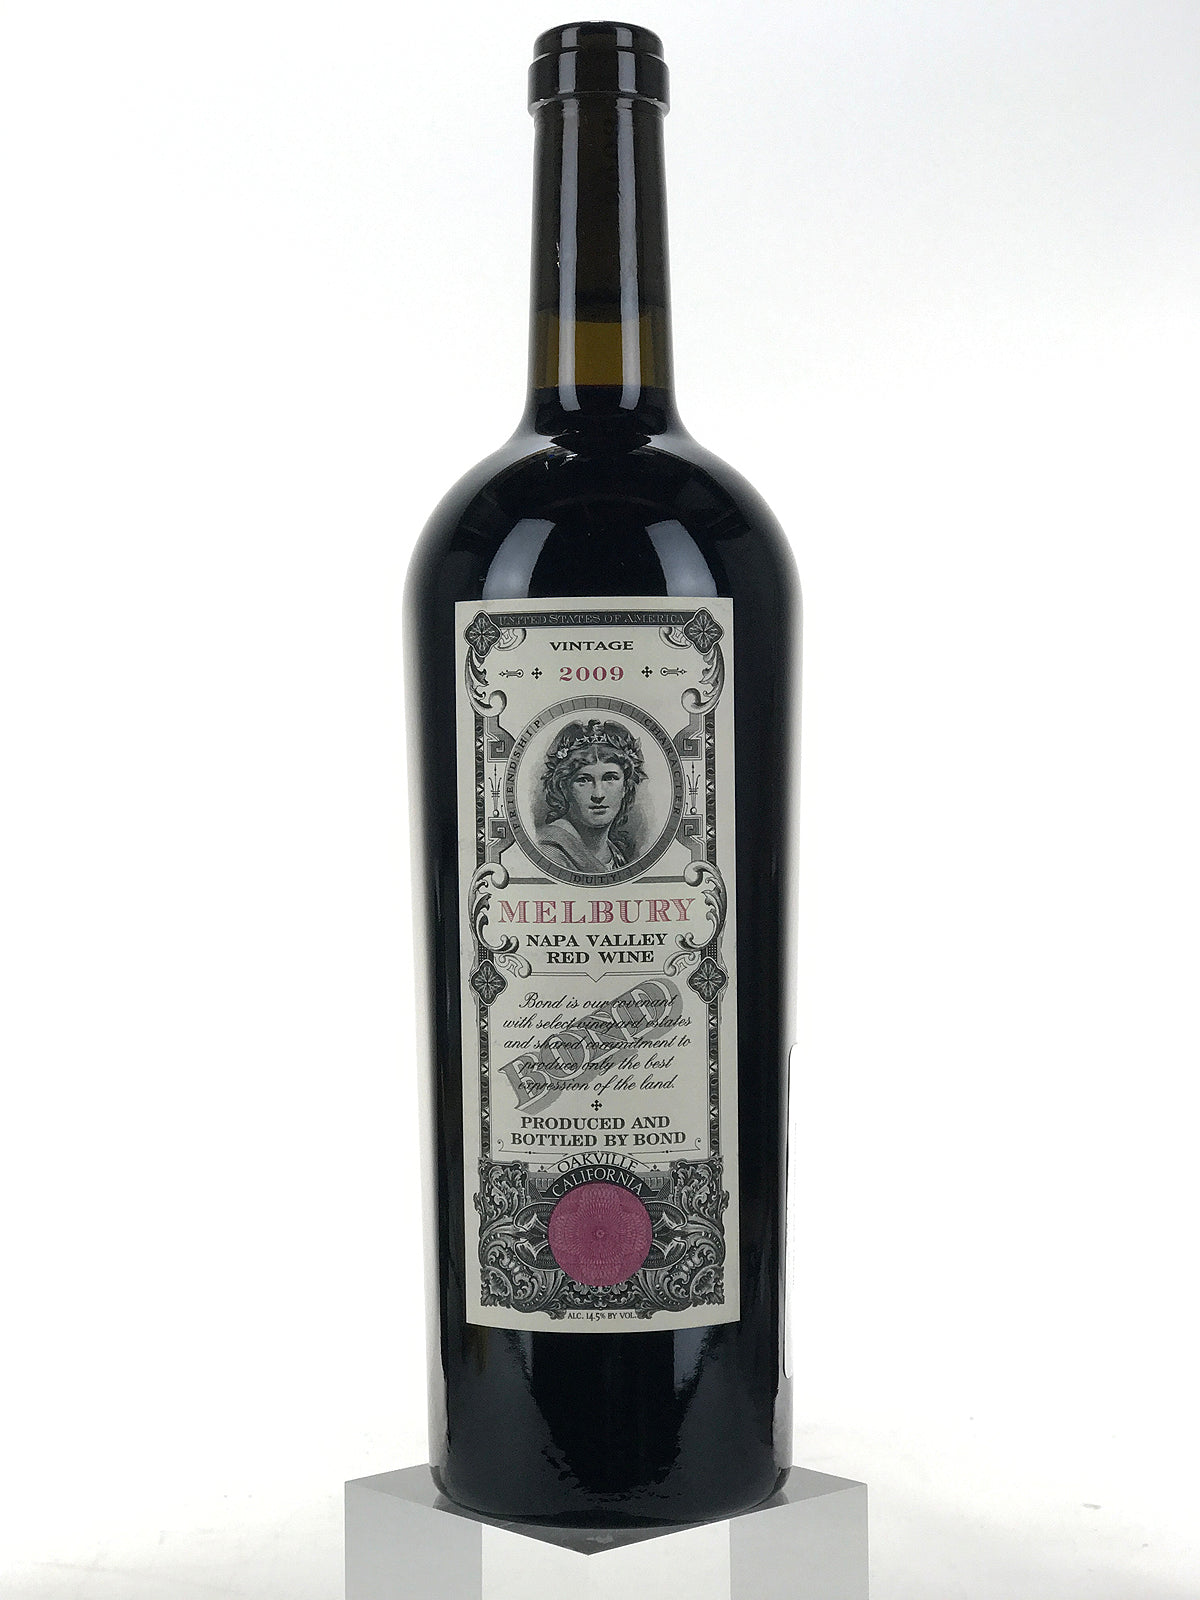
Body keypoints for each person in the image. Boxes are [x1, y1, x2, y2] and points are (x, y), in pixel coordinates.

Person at [535, 719, 647, 874]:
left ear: (625, 787)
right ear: (564, 788)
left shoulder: (615, 853)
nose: (598, 795)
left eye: (610, 778)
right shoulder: (549, 850)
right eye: (583, 780)